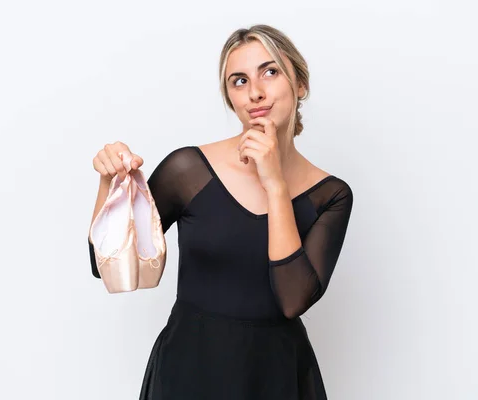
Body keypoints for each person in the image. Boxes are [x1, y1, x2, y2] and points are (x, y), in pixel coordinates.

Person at [88, 24, 353, 400]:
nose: (255, 92)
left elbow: (293, 299)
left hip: (277, 377)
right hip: (188, 372)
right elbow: (107, 265)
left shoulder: (331, 195)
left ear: (301, 85)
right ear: (230, 97)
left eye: (271, 71)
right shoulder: (189, 170)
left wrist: (275, 184)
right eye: (239, 81)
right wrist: (108, 182)